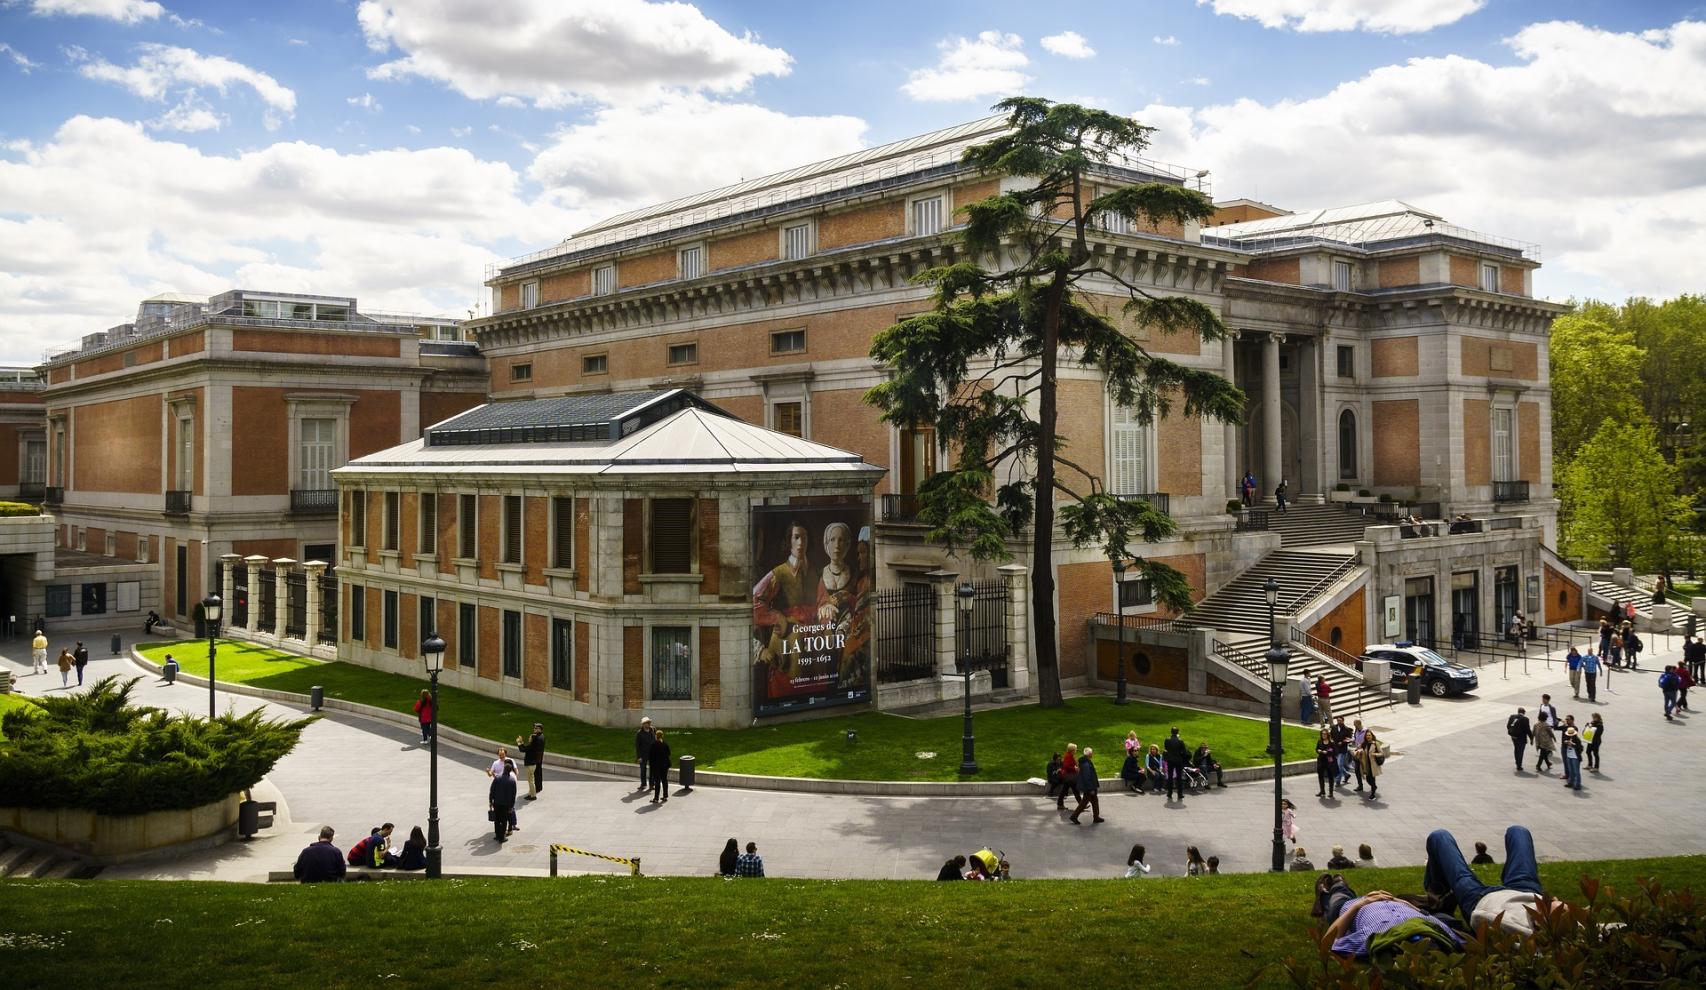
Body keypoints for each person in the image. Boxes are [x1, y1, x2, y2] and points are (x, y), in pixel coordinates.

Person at [1423, 826, 1568, 938]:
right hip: (1526, 891)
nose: (1553, 900)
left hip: (1479, 898)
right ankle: (1440, 898)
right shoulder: (1577, 931)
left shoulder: (1517, 928)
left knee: (1438, 837)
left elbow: (1478, 918)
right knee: (1518, 831)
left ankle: (1439, 900)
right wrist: (1549, 905)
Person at [1317, 880, 1463, 961]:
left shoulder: (1376, 936)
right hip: (1393, 901)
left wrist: (1360, 904)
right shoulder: (1434, 930)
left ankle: (1330, 887)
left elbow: (1329, 942)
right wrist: (1396, 900)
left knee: (1338, 895)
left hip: (1350, 908)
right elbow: (1423, 912)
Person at [1069, 746, 1104, 824]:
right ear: (1089, 754)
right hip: (1089, 787)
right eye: (1091, 753)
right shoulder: (1086, 764)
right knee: (1084, 803)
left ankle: (1096, 817)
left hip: (1090, 786)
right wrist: (1091, 789)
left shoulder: (1085, 762)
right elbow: (1087, 777)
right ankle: (1074, 816)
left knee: (1094, 801)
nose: (1092, 754)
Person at [490, 761, 518, 842]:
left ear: (504, 769)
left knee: (497, 819)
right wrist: (511, 806)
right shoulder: (512, 781)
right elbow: (513, 795)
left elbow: (492, 790)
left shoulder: (497, 778)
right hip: (506, 805)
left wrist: (490, 801)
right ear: (510, 770)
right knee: (504, 820)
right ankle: (502, 837)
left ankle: (497, 835)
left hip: (497, 803)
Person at [1163, 727, 1190, 802]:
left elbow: (1166, 749)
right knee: (1179, 777)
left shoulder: (1167, 740)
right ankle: (1180, 793)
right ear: (1178, 732)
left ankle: (1169, 793)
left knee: (1170, 777)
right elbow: (1184, 752)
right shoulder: (1180, 741)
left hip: (1170, 760)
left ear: (1171, 732)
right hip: (1178, 760)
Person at [1356, 730, 1385, 800]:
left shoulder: (1375, 744)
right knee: (1368, 779)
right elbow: (1358, 749)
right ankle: (1374, 787)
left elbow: (1381, 753)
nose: (1368, 736)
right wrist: (1358, 751)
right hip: (1366, 764)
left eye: (1369, 735)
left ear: (1372, 736)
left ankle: (1372, 794)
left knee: (1372, 779)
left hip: (1373, 765)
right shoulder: (1364, 744)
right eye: (1367, 735)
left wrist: (1375, 754)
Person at [520, 723, 545, 799]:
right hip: (537, 759)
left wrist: (520, 743)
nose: (534, 729)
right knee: (537, 775)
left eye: (536, 728)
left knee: (532, 779)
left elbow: (523, 749)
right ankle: (538, 788)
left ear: (540, 729)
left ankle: (534, 793)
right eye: (534, 728)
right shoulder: (541, 736)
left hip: (534, 761)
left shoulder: (536, 739)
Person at [649, 728, 672, 804]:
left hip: (656, 766)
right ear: (662, 736)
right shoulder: (665, 744)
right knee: (664, 780)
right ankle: (665, 796)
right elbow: (669, 754)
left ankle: (656, 798)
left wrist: (651, 766)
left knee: (657, 782)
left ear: (656, 736)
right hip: (664, 765)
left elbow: (650, 756)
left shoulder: (653, 745)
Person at [1314, 727, 1338, 799]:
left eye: (1325, 734)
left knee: (1330, 777)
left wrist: (1328, 752)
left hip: (1329, 761)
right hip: (1321, 760)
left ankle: (1331, 792)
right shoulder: (1319, 741)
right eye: (1322, 734)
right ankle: (1322, 791)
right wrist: (1319, 751)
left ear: (1327, 734)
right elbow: (1316, 749)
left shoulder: (1331, 742)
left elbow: (1335, 752)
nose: (1323, 735)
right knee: (1320, 776)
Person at [1056, 743, 1080, 811]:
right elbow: (1066, 766)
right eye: (1075, 749)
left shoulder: (1069, 755)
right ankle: (1082, 805)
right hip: (1070, 777)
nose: (1076, 750)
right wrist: (1074, 768)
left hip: (1068, 777)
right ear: (1072, 750)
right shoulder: (1069, 756)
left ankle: (1060, 804)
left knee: (1064, 790)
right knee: (1076, 791)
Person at [1560, 720, 1583, 790]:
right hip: (1569, 756)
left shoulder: (1577, 740)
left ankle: (1577, 784)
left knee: (1576, 771)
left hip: (1575, 757)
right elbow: (1564, 743)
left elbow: (1581, 748)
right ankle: (1571, 782)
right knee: (1570, 770)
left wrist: (1573, 745)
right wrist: (1566, 742)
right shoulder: (1568, 738)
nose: (1569, 735)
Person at [1330, 716, 1353, 786]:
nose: (1339, 722)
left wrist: (1343, 742)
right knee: (1338, 765)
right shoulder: (1334, 728)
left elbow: (1349, 739)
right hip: (1335, 749)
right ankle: (1346, 774)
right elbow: (1331, 736)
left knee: (1339, 765)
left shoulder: (1347, 729)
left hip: (1342, 750)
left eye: (1340, 720)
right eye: (1338, 720)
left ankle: (1338, 781)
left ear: (1343, 721)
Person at [1506, 707, 1530, 772]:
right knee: (1521, 751)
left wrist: (1512, 733)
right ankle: (1519, 765)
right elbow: (1527, 730)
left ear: (1518, 711)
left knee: (1516, 749)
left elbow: (1508, 726)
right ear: (1524, 713)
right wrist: (1531, 737)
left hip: (1513, 737)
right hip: (1521, 738)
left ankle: (1517, 762)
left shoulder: (1512, 716)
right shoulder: (1525, 719)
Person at [634, 717, 655, 791]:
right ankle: (643, 784)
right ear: (643, 724)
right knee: (643, 770)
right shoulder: (639, 733)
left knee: (652, 770)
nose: (648, 724)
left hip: (652, 754)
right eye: (646, 723)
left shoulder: (653, 730)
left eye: (649, 722)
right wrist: (639, 757)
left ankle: (652, 785)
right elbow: (637, 746)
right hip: (643, 755)